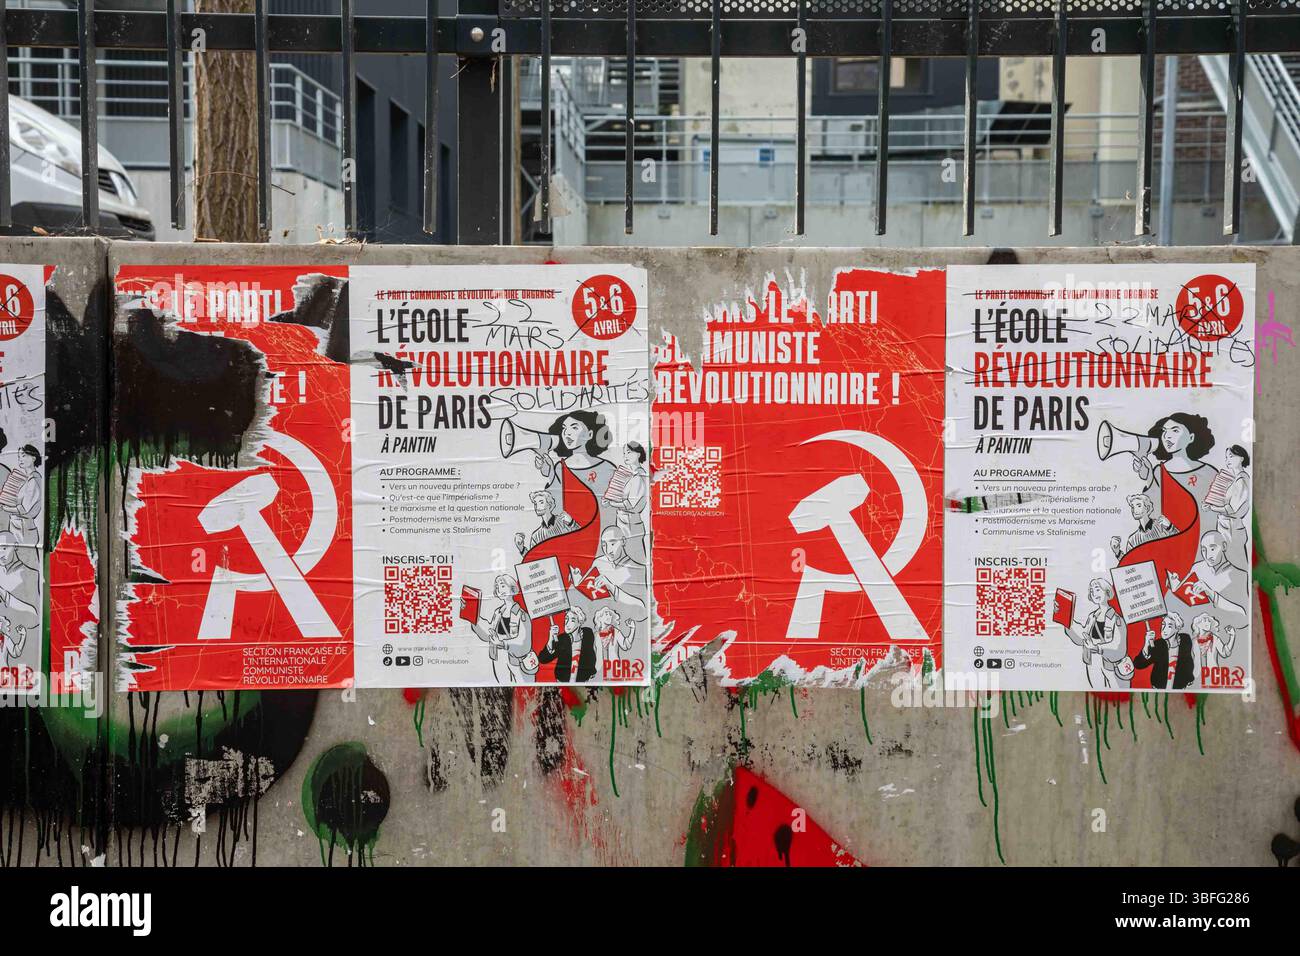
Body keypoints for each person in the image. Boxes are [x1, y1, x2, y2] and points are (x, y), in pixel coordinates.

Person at [1132, 412, 1219, 522]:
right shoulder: (1159, 471)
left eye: (1175, 430)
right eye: (1164, 431)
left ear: (1191, 438)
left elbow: (1217, 513)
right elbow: (1153, 514)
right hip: (1170, 533)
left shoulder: (1209, 472)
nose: (1167, 436)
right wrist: (1149, 478)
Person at [1168, 529, 1249, 620]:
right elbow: (1187, 595)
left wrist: (1209, 592)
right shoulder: (1197, 568)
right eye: (1203, 550)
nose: (1207, 555)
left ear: (1224, 546)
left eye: (1212, 549)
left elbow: (1243, 613)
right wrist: (1176, 584)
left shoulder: (1239, 575)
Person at [1060, 578, 1126, 689]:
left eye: (1097, 589)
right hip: (1092, 662)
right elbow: (1082, 636)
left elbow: (1119, 647)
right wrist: (1067, 621)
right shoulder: (1092, 617)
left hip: (1109, 664)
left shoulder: (1116, 619)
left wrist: (1096, 647)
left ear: (1107, 592)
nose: (1094, 593)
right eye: (1091, 590)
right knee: (1095, 690)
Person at [470, 574, 536, 683]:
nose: (499, 589)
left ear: (512, 588)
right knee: (502, 685)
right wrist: (474, 619)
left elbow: (524, 642)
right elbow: (488, 633)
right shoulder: (498, 612)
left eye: (502, 585)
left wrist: (502, 643)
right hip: (498, 657)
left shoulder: (521, 614)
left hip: (516, 659)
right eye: (497, 587)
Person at [570, 525, 647, 612]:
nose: (608, 550)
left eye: (613, 544)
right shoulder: (599, 562)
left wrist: (610, 587)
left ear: (623, 541)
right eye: (604, 545)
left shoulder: (637, 569)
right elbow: (590, 593)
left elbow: (642, 607)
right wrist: (579, 580)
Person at [1207, 444, 1251, 568]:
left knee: (1236, 562)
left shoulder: (1241, 480)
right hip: (1226, 527)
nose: (1228, 460)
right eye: (1226, 458)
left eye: (1231, 456)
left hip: (1232, 528)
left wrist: (1212, 508)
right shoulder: (1235, 479)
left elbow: (1231, 509)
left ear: (1241, 458)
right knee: (1228, 561)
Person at [1132, 613, 1195, 690]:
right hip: (1159, 688)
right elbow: (1139, 664)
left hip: (1179, 688)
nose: (1164, 629)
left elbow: (1188, 660)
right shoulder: (1158, 644)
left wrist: (1189, 678)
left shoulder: (1185, 640)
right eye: (1163, 624)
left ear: (1177, 628)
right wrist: (1146, 644)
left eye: (1169, 626)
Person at [610, 442, 649, 562]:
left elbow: (631, 505)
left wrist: (612, 503)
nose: (625, 455)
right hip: (625, 522)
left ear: (638, 454)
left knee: (635, 557)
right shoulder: (633, 476)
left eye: (629, 452)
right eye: (624, 453)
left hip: (630, 524)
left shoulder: (638, 477)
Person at [537, 607, 597, 683]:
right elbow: (543, 659)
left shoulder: (587, 633)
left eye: (572, 620)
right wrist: (550, 638)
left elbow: (591, 654)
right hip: (563, 681)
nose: (567, 623)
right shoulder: (562, 639)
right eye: (566, 619)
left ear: (579, 622)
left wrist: (591, 671)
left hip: (582, 681)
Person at [514, 490, 578, 557]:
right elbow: (533, 560)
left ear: (549, 505)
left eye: (541, 502)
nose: (537, 506)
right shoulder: (536, 536)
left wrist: (572, 523)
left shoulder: (563, 521)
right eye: (535, 503)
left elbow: (583, 540)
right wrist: (521, 548)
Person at [0, 444, 41, 546]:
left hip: (24, 529)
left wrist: (5, 508)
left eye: (24, 456)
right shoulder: (28, 479)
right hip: (19, 526)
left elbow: (24, 509)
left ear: (33, 458)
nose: (20, 459)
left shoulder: (33, 480)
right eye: (19, 457)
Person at [1118, 493, 1174, 557]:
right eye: (1132, 507)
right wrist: (1118, 553)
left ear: (1147, 508)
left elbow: (1179, 544)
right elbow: (1129, 563)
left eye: (1138, 506)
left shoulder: (1161, 525)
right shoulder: (1133, 539)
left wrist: (1170, 527)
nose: (1134, 510)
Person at [1191, 611, 1238, 676]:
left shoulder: (1215, 639)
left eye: (1209, 621)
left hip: (1213, 676)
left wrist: (1232, 636)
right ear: (1197, 624)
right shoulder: (1193, 642)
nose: (1208, 622)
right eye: (1204, 620)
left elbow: (1225, 653)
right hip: (1196, 676)